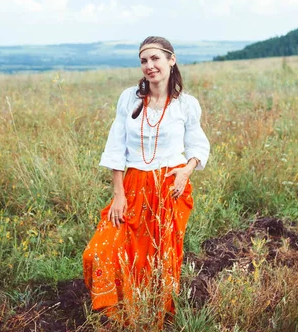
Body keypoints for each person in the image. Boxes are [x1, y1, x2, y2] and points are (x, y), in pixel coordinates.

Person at [82, 36, 210, 323]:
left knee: (157, 258)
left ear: (171, 60)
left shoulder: (186, 104)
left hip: (170, 187)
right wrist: (118, 193)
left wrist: (187, 170)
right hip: (133, 185)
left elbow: (198, 145)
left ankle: (152, 315)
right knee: (100, 250)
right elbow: (116, 147)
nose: (149, 66)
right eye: (144, 61)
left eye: (155, 59)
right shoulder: (129, 98)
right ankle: (118, 313)